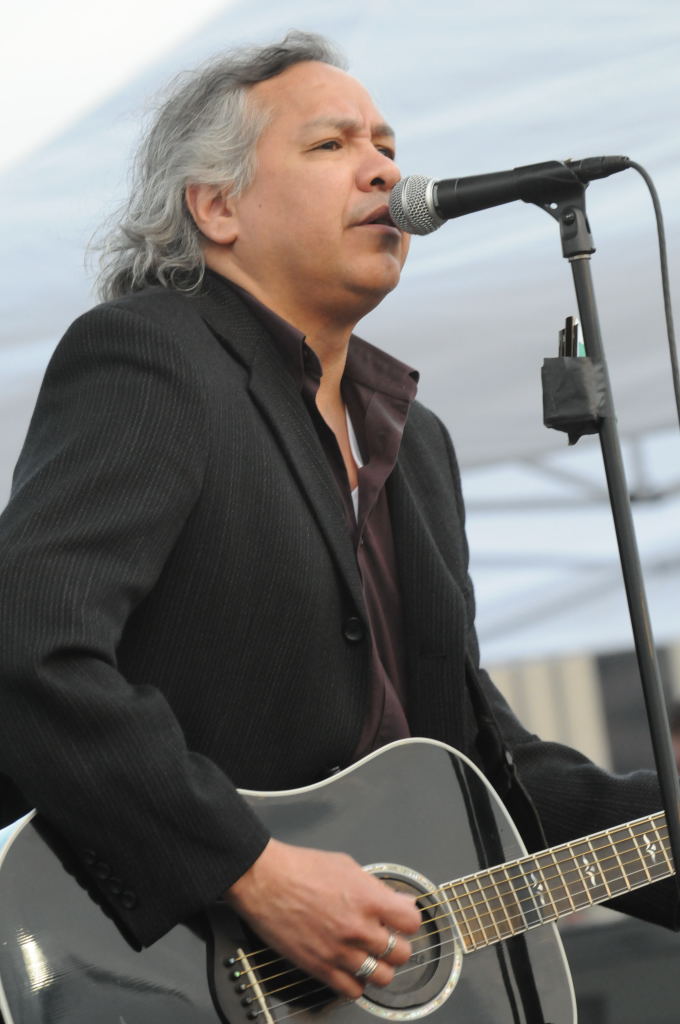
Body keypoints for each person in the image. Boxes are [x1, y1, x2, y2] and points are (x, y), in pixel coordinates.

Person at [0, 30, 675, 1007]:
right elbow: (30, 641)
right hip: (161, 970)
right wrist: (253, 870)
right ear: (217, 207)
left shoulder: (415, 445)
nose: (385, 171)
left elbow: (485, 768)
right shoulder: (152, 360)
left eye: (388, 146)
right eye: (331, 144)